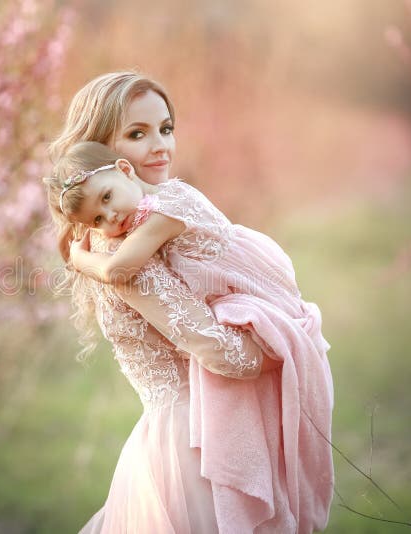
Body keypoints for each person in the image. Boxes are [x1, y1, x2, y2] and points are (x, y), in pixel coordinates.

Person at [46, 72, 332, 533]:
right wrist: (285, 343)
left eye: (166, 128)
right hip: (192, 451)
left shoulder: (151, 217)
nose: (160, 145)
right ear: (104, 152)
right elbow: (224, 356)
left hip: (212, 429)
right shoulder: (117, 248)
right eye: (137, 134)